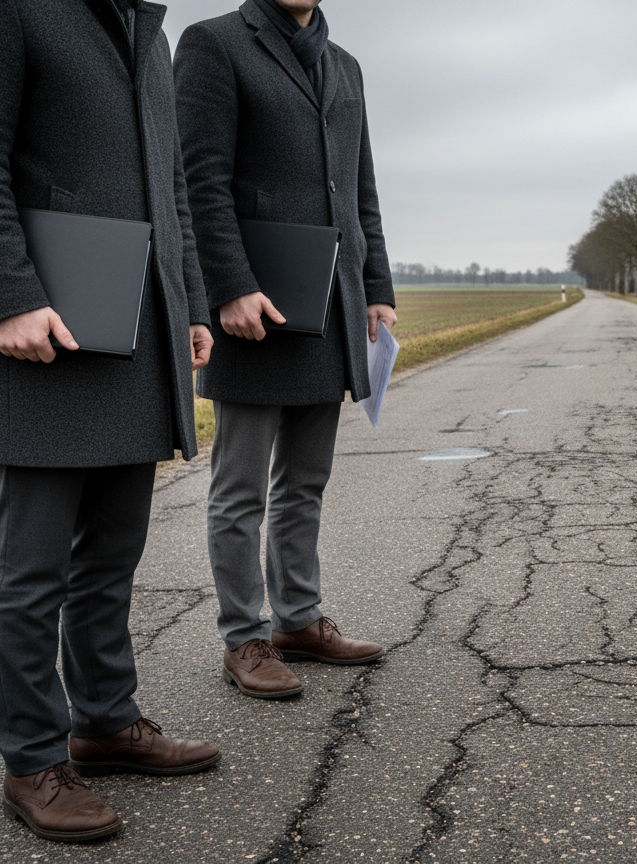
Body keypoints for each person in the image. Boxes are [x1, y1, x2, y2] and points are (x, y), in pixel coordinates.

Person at [0, 0, 221, 843]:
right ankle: (29, 758)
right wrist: (13, 296)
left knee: (114, 551)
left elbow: (173, 189)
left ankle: (103, 720)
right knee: (30, 572)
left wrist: (191, 301)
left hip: (137, 336)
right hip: (43, 336)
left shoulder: (149, 29)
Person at [175, 0, 396, 700]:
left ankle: (297, 619)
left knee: (306, 480)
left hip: (329, 301)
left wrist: (377, 286)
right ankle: (245, 636)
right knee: (240, 489)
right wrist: (229, 287)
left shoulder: (345, 65)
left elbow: (360, 190)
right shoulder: (213, 45)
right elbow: (199, 181)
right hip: (254, 309)